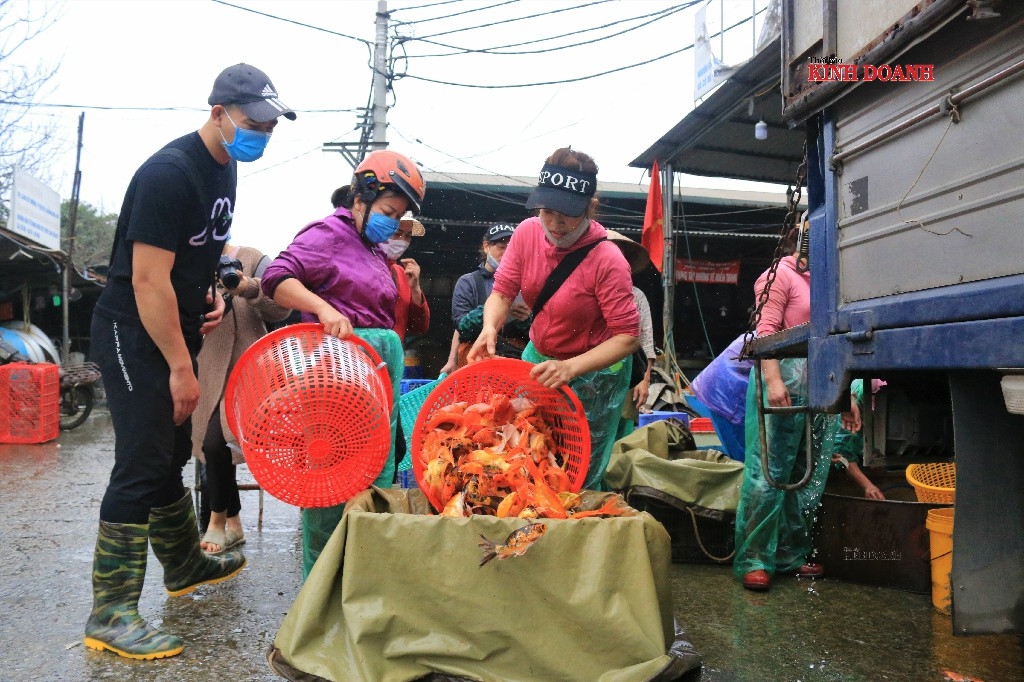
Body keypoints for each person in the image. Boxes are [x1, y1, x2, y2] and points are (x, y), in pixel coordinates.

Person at [85, 63, 295, 659]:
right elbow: (147, 282)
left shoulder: (225, 168)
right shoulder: (168, 175)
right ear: (218, 112)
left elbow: (195, 255)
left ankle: (182, 566)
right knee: (144, 458)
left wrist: (210, 295)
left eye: (270, 127)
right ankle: (112, 611)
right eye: (252, 123)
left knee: (176, 451)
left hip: (177, 327)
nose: (260, 134)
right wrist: (181, 366)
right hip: (133, 330)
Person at [261, 149, 426, 577]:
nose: (394, 221)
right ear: (361, 197)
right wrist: (324, 310)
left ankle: (354, 590)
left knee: (368, 485)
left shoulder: (372, 249)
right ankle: (317, 600)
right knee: (330, 486)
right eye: (390, 210)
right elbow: (276, 278)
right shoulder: (328, 234)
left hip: (371, 384)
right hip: (331, 386)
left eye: (400, 214)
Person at [467, 147, 640, 489]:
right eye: (547, 211)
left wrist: (570, 368)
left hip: (595, 374)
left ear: (590, 206)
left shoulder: (607, 259)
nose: (555, 224)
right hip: (540, 360)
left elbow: (627, 337)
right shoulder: (528, 233)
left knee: (575, 473)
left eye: (568, 214)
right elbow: (502, 293)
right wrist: (489, 327)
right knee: (526, 454)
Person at [733, 224, 841, 592]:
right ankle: (756, 559)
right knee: (769, 472)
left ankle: (791, 555)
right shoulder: (780, 275)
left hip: (822, 383)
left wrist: (849, 395)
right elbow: (765, 329)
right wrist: (773, 379)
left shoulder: (831, 279)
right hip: (783, 381)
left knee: (808, 473)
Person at [193, 243, 291, 554]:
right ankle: (231, 523)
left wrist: (245, 285)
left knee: (219, 444)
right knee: (210, 446)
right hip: (207, 368)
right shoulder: (188, 263)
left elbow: (281, 307)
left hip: (251, 370)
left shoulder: (253, 259)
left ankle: (217, 522)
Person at [439, 223, 531, 375]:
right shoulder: (469, 282)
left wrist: (526, 320)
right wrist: (494, 312)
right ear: (486, 246)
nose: (507, 253)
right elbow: (461, 326)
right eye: (502, 247)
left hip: (515, 364)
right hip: (476, 362)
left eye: (512, 248)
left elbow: (538, 332)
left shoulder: (527, 282)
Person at [606, 230, 656, 439]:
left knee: (621, 432)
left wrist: (644, 381)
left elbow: (645, 340)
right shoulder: (583, 290)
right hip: (587, 373)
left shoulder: (637, 296)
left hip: (626, 374)